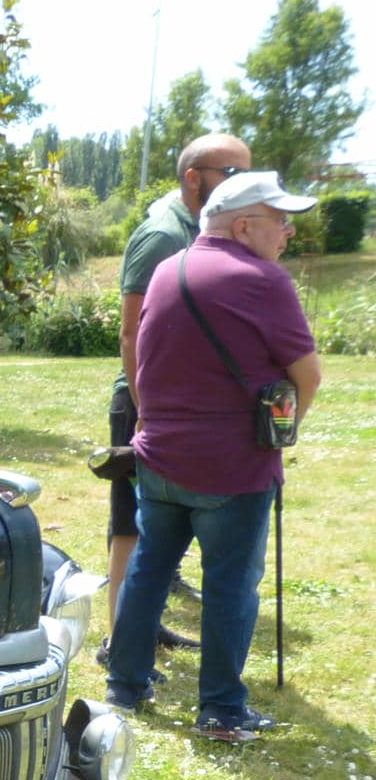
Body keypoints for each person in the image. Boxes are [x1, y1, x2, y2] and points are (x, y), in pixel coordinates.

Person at [105, 171, 322, 742]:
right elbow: (308, 377)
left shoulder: (167, 269)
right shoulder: (264, 279)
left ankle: (124, 685)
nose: (288, 232)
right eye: (280, 220)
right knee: (230, 585)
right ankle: (222, 709)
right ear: (244, 225)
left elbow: (141, 357)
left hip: (160, 456)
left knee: (149, 570)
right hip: (233, 465)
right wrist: (281, 435)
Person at [105, 132, 252, 656]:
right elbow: (130, 333)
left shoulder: (197, 230)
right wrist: (148, 411)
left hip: (177, 406)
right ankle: (118, 640)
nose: (242, 184)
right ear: (194, 178)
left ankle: (146, 626)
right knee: (131, 526)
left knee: (161, 529)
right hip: (146, 404)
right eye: (232, 174)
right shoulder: (162, 235)